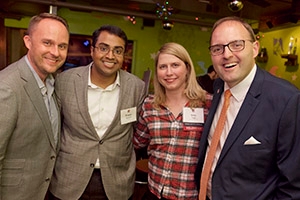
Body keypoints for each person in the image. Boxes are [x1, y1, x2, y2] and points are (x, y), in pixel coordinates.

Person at [195, 16, 300, 200]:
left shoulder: (286, 100)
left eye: (237, 44)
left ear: (255, 49)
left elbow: (293, 186)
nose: (226, 54)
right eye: (218, 48)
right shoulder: (218, 87)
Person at [48, 25, 146, 200]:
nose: (110, 56)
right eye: (103, 48)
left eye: (118, 50)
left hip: (117, 183)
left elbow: (139, 132)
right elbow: (54, 128)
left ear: (124, 55)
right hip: (69, 180)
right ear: (92, 50)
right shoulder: (65, 81)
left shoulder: (136, 87)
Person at [0, 13, 69, 200]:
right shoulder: (7, 87)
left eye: (62, 46)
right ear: (28, 42)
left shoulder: (51, 83)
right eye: (47, 43)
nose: (55, 52)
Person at [133, 42, 212, 200]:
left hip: (191, 195)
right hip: (155, 193)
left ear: (187, 68)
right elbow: (138, 142)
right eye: (163, 67)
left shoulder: (208, 104)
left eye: (175, 65)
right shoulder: (149, 105)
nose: (169, 72)